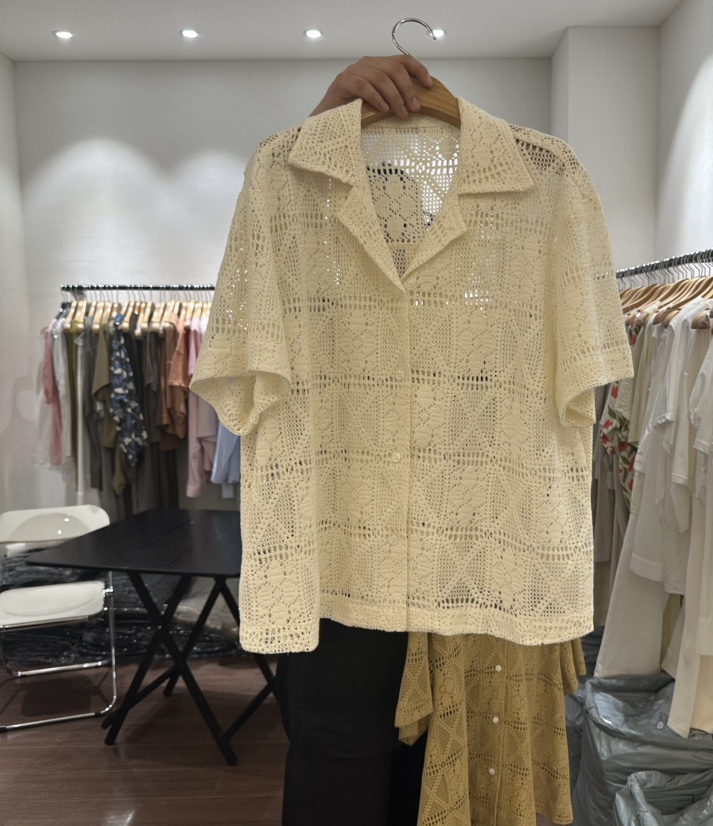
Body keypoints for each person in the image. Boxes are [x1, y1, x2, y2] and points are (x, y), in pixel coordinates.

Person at [275, 55, 438, 826]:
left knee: (435, 780)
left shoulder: (473, 307)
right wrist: (322, 125)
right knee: (339, 771)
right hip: (337, 590)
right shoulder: (312, 305)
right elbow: (281, 236)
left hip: (452, 596)